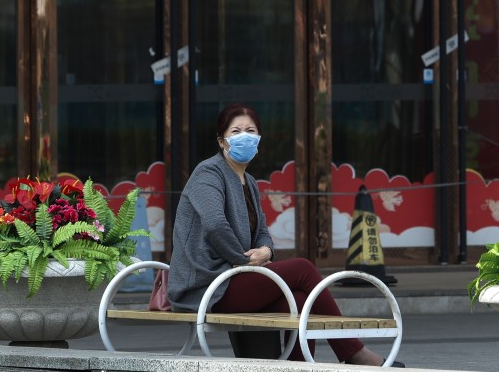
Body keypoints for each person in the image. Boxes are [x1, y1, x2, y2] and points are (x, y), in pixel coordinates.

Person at [168, 103, 401, 366]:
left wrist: (266, 252)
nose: (244, 136)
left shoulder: (250, 182)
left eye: (250, 130)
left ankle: (298, 367)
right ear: (222, 141)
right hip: (208, 286)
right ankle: (353, 352)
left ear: (258, 139)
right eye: (236, 131)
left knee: (302, 301)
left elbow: (263, 232)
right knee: (303, 268)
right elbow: (214, 225)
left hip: (235, 277)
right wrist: (244, 262)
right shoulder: (208, 172)